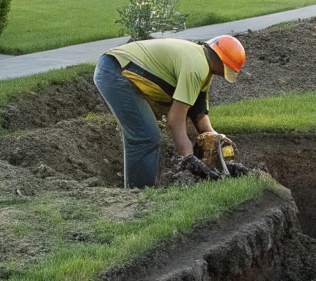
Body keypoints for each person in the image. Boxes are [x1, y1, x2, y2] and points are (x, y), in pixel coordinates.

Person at [93, 35, 247, 187]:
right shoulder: (196, 67)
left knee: (146, 134)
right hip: (116, 70)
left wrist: (217, 143)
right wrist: (188, 158)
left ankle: (140, 188)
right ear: (220, 61)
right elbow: (175, 121)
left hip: (119, 66)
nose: (223, 74)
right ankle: (137, 196)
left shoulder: (203, 66)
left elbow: (199, 114)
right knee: (146, 137)